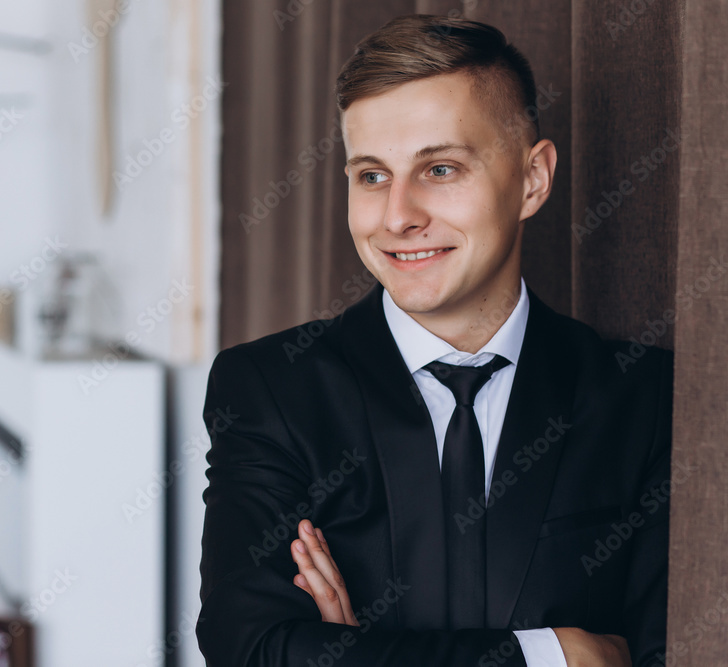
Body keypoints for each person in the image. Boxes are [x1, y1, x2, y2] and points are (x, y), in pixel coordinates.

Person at [197, 14, 671, 667]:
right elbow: (252, 648)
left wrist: (356, 653)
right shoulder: (272, 389)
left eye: (440, 169)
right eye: (371, 175)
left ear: (533, 178)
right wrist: (556, 653)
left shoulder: (645, 397)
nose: (398, 216)